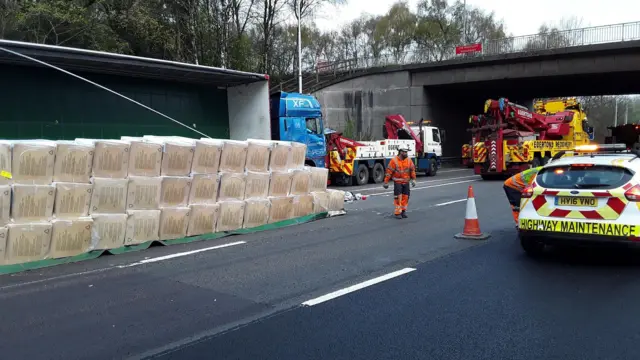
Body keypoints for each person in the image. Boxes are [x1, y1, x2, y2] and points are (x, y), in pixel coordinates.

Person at [383, 146, 417, 219]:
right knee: (398, 198)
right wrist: (386, 182)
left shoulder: (409, 160)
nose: (406, 153)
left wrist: (414, 179)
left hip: (406, 182)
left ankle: (403, 211)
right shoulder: (394, 161)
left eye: (406, 152)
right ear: (401, 152)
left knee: (406, 197)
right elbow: (389, 172)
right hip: (398, 182)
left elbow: (412, 170)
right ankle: (398, 212)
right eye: (404, 152)